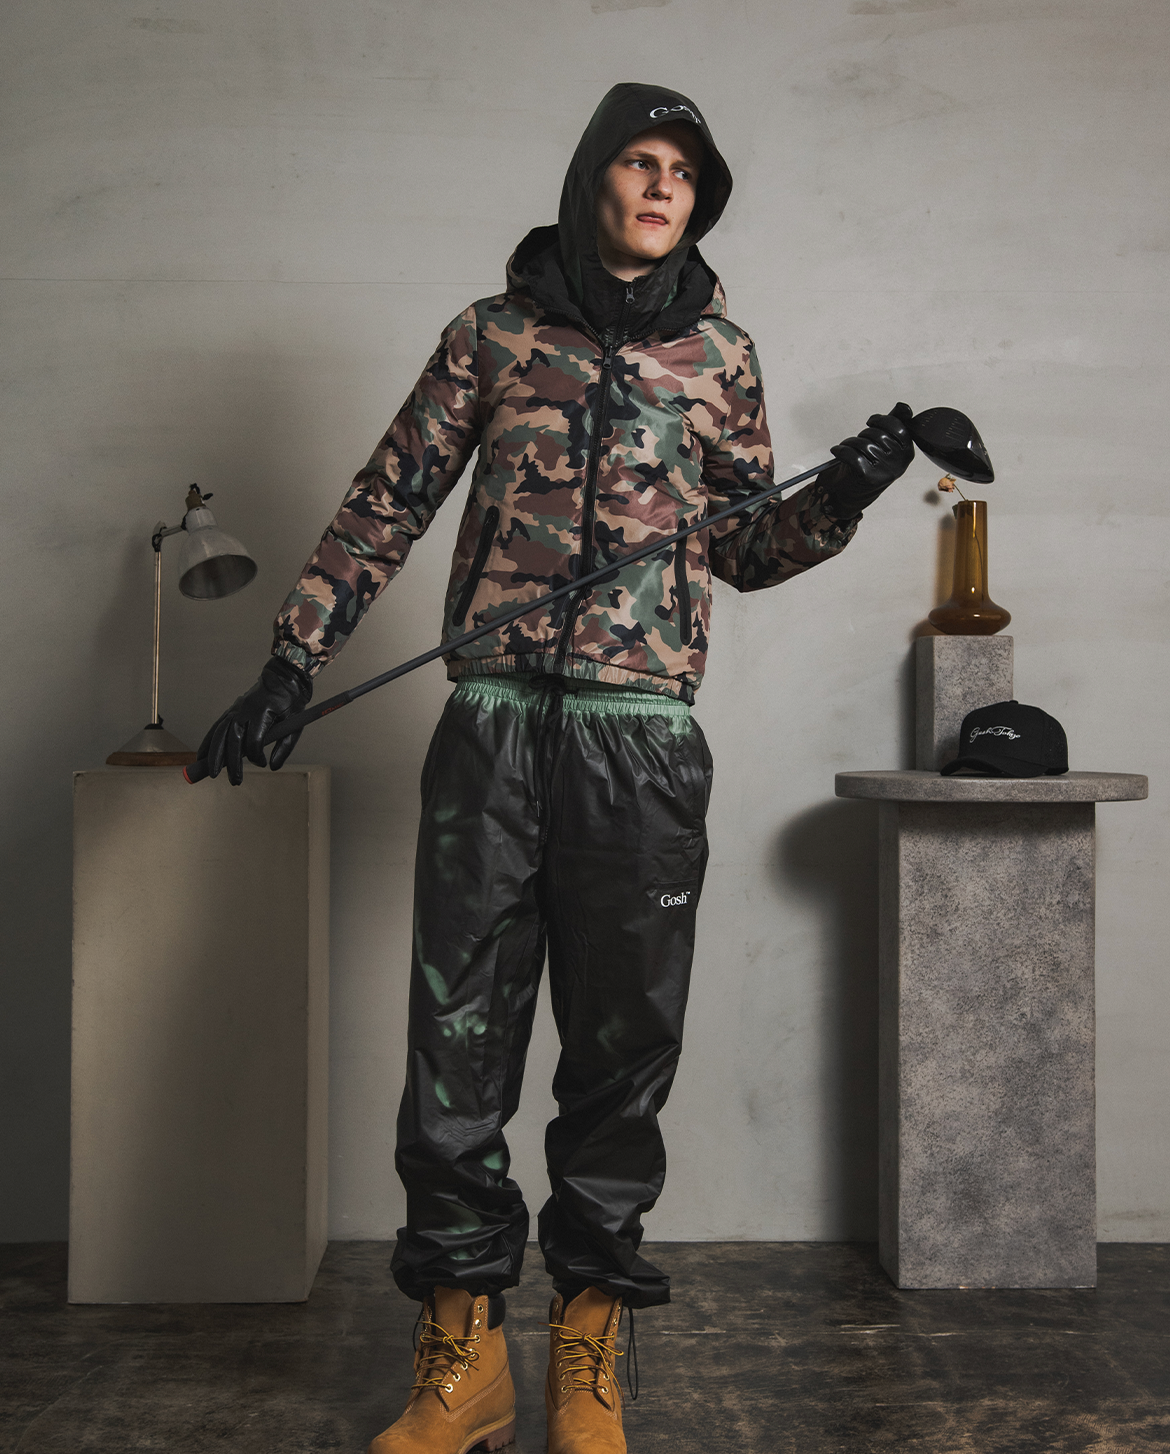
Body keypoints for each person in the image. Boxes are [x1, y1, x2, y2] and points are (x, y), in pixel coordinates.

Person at [195, 82, 913, 1454]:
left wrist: (845, 493)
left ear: (701, 199)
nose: (660, 186)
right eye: (637, 161)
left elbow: (743, 550)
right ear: (593, 178)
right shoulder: (493, 333)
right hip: (493, 727)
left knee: (622, 1045)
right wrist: (292, 658)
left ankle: (588, 1346)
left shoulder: (722, 356)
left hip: (641, 738)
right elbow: (389, 497)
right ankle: (461, 1358)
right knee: (456, 1036)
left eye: (683, 170)